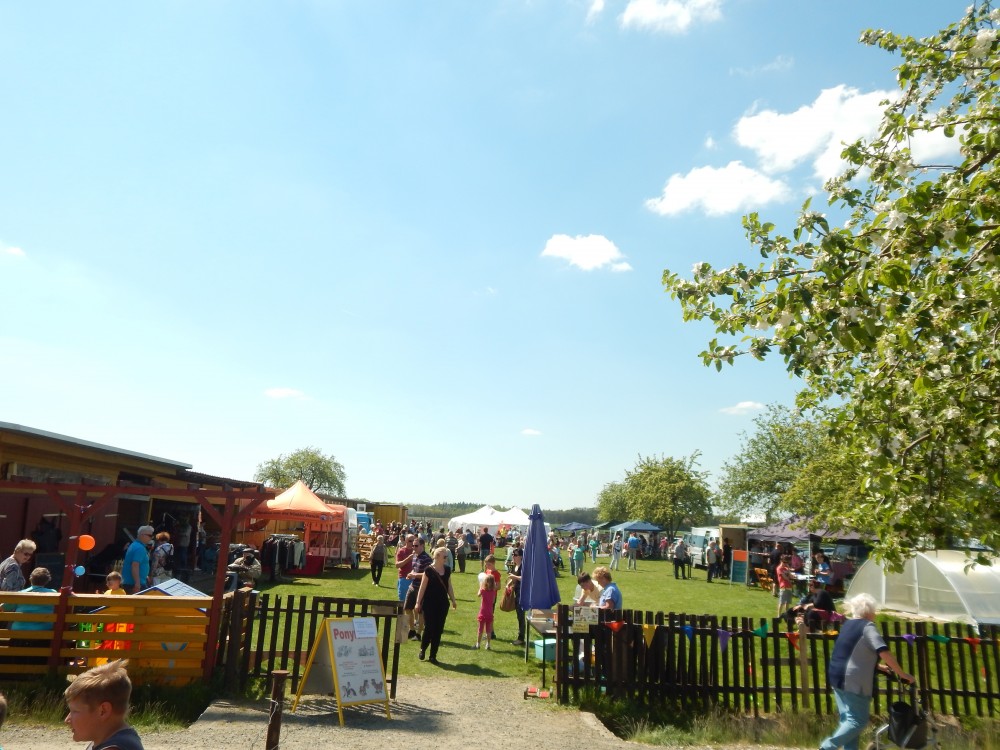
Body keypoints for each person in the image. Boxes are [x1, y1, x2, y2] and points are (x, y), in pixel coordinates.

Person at [819, 594, 913, 750]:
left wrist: (878, 667)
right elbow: (883, 652)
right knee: (857, 721)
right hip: (853, 680)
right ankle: (827, 747)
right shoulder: (868, 627)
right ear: (870, 611)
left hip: (836, 675)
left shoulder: (847, 625)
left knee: (848, 720)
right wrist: (902, 674)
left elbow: (852, 653)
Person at [64, 659, 145, 750]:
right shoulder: (113, 740)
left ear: (103, 711)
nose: (67, 720)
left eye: (75, 711)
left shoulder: (113, 748)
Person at [413, 546, 456, 664]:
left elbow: (449, 586)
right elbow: (422, 588)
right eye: (444, 556)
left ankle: (433, 655)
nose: (446, 558)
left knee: (438, 629)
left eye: (446, 556)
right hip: (429, 603)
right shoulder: (428, 570)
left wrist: (453, 600)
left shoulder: (447, 570)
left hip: (442, 604)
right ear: (437, 556)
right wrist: (417, 602)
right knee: (429, 628)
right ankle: (423, 649)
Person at [8, 567, 57, 664]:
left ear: (31, 578)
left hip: (19, 635)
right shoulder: (53, 594)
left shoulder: (21, 594)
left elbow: (4, 608)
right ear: (47, 580)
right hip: (43, 635)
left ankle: (16, 668)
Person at [404, 538, 433, 641]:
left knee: (420, 612)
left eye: (416, 546)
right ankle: (412, 630)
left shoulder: (427, 559)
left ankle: (419, 633)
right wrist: (411, 574)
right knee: (407, 608)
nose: (413, 547)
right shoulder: (415, 556)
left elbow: (428, 574)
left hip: (422, 588)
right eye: (413, 545)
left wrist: (414, 575)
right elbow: (414, 569)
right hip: (413, 586)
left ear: (422, 545)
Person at [122, 527, 153, 595]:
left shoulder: (134, 545)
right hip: (135, 584)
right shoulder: (140, 548)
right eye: (150, 535)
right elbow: (135, 565)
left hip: (131, 582)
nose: (151, 538)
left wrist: (145, 576)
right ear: (142, 535)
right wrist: (137, 583)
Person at [506, 548, 526, 645]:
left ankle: (521, 638)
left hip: (522, 593)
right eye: (513, 554)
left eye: (515, 555)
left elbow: (525, 578)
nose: (513, 556)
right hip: (516, 592)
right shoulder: (515, 566)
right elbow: (514, 577)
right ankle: (520, 637)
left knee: (521, 616)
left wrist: (513, 577)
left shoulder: (523, 566)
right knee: (519, 615)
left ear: (521, 556)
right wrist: (509, 584)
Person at [474, 569, 497, 650]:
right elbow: (493, 601)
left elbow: (478, 595)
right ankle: (488, 644)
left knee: (480, 629)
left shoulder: (483, 591)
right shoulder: (493, 592)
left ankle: (478, 644)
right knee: (488, 630)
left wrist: (480, 586)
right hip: (490, 612)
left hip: (483, 612)